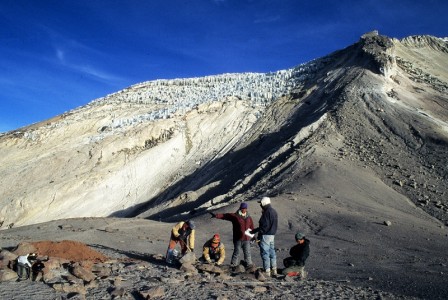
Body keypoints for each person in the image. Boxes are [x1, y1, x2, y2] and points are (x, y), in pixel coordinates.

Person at [210, 202, 254, 267]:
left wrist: (253, 237)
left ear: (246, 209)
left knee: (247, 253)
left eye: (245, 208)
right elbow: (226, 216)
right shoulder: (235, 216)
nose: (243, 210)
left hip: (246, 239)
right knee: (236, 252)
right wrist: (216, 215)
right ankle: (233, 266)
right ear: (240, 208)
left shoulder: (249, 218)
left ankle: (249, 266)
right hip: (238, 239)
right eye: (242, 208)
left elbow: (251, 227)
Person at [252, 196, 278, 277]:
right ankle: (274, 270)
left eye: (261, 203)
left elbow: (264, 226)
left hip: (265, 235)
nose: (260, 205)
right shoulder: (274, 211)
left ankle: (267, 271)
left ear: (264, 203)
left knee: (265, 253)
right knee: (272, 252)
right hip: (272, 235)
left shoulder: (266, 212)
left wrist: (258, 232)